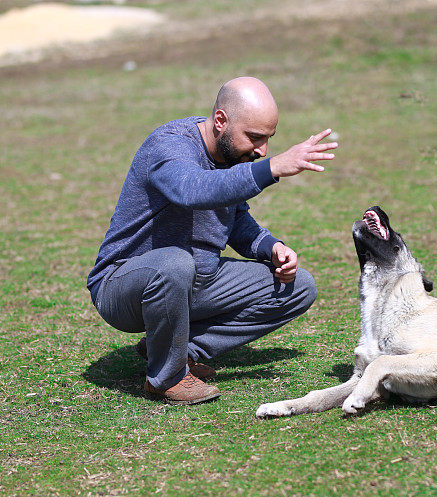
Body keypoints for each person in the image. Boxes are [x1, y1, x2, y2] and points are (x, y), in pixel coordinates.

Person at [87, 77, 337, 405]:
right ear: (220, 121)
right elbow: (194, 190)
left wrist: (271, 248)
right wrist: (272, 168)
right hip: (124, 286)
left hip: (194, 282)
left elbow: (235, 220)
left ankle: (176, 349)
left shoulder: (229, 156)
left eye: (269, 140)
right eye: (255, 137)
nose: (262, 150)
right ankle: (167, 378)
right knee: (175, 262)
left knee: (298, 287)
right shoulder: (170, 145)